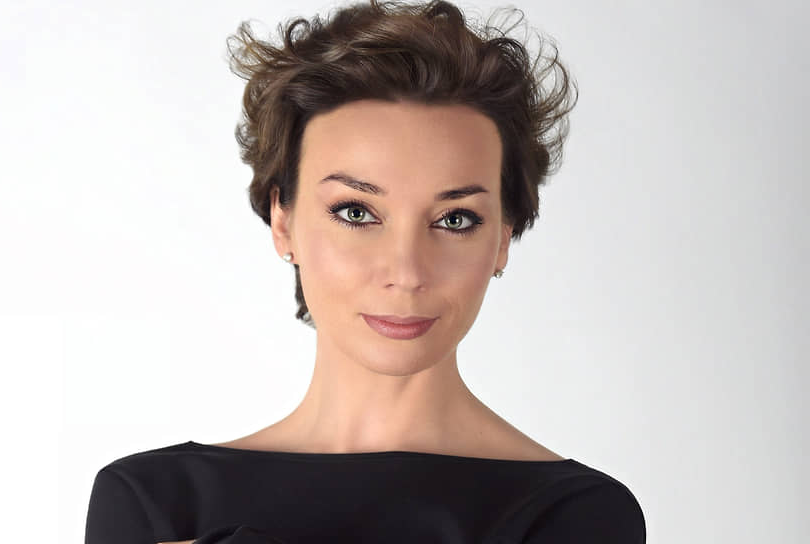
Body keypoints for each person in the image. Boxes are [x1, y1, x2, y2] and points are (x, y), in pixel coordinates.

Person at [85, 1, 646, 542]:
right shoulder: (153, 502)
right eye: (356, 212)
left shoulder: (578, 514)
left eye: (455, 219)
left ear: (502, 238)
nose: (406, 271)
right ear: (283, 221)